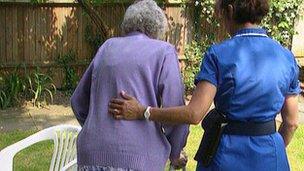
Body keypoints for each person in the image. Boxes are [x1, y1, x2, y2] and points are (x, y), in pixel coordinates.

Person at [108, 0, 301, 170]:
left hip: (227, 155)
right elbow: (291, 122)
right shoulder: (286, 57)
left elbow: (194, 113)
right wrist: (271, 149)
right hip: (272, 157)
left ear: (230, 10)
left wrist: (143, 111)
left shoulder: (219, 54)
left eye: (221, 13)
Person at [71, 0, 189, 170]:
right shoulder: (164, 51)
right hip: (139, 159)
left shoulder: (107, 47)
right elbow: (176, 111)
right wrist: (176, 151)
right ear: (158, 27)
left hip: (91, 155)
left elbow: (78, 101)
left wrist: (98, 126)